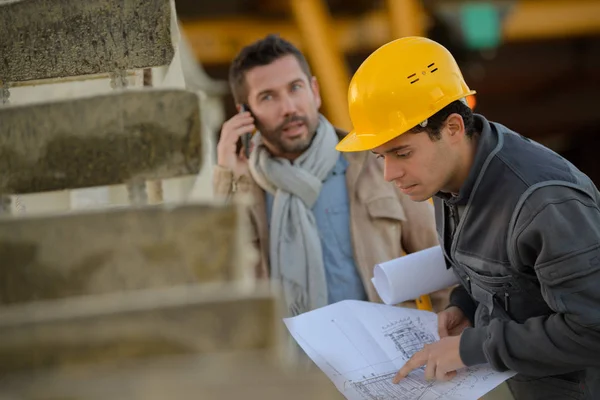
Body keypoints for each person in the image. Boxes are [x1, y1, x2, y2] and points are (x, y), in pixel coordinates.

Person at [336, 36, 600, 399]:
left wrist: (468, 349)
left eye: (402, 152)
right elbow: (507, 273)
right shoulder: (448, 176)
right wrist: (466, 305)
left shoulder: (545, 203)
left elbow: (593, 330)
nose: (389, 173)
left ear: (454, 129)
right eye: (382, 157)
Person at [213, 34, 445, 317]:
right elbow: (216, 282)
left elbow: (439, 265)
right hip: (288, 359)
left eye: (295, 88)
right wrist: (227, 176)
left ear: (315, 91)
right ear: (245, 113)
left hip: (386, 355)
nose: (289, 107)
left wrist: (447, 336)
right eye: (268, 96)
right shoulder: (242, 187)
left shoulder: (376, 163)